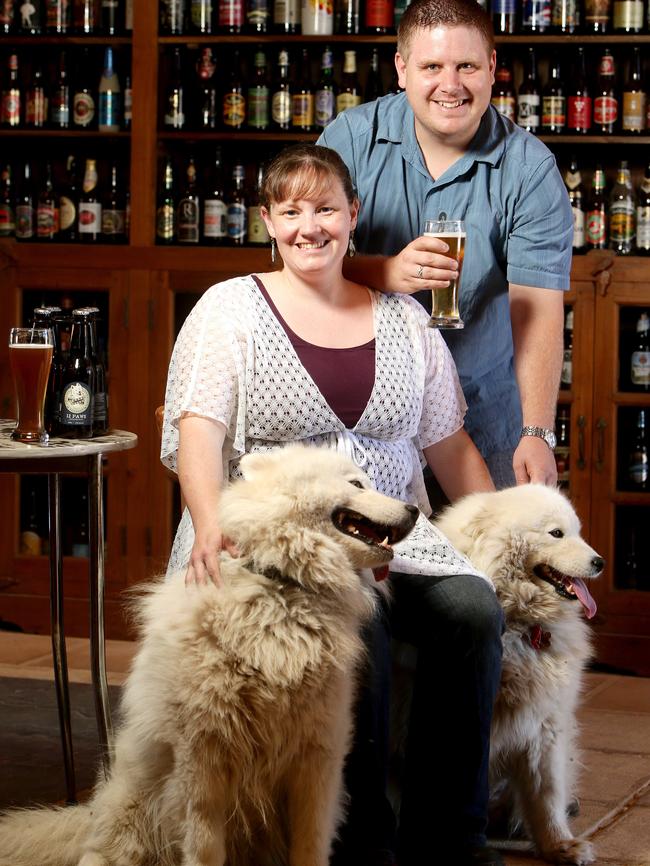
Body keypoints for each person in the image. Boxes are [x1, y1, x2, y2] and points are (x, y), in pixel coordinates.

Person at [161, 144, 504, 866]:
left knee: (474, 608)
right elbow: (199, 432)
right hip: (277, 547)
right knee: (362, 620)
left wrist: (507, 542)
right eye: (290, 211)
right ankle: (359, 840)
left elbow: (450, 448)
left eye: (325, 209)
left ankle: (452, 837)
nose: (308, 227)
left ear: (353, 218)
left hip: (395, 537)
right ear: (267, 222)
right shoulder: (230, 311)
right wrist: (209, 524)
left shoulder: (407, 320)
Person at [318, 0, 573, 492]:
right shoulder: (348, 140)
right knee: (369, 566)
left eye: (467, 66)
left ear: (493, 69)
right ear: (401, 68)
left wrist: (537, 431)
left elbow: (536, 308)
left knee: (490, 563)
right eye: (432, 66)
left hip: (485, 417)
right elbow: (303, 269)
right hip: (364, 414)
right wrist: (385, 273)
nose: (450, 85)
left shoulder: (530, 169)